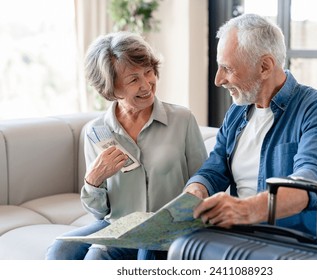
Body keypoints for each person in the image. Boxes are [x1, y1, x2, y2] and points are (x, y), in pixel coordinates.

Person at [46, 32, 207, 260]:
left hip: (169, 227)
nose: (146, 85)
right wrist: (93, 181)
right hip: (119, 226)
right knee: (60, 250)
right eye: (133, 79)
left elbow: (204, 180)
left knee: (99, 256)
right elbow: (100, 213)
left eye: (148, 72)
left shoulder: (182, 119)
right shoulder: (96, 131)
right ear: (111, 89)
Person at [185, 13, 317, 241]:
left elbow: (309, 184)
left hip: (295, 243)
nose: (218, 80)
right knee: (151, 248)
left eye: (227, 68)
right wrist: (196, 190)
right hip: (241, 239)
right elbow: (214, 169)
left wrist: (244, 210)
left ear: (265, 67)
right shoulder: (237, 111)